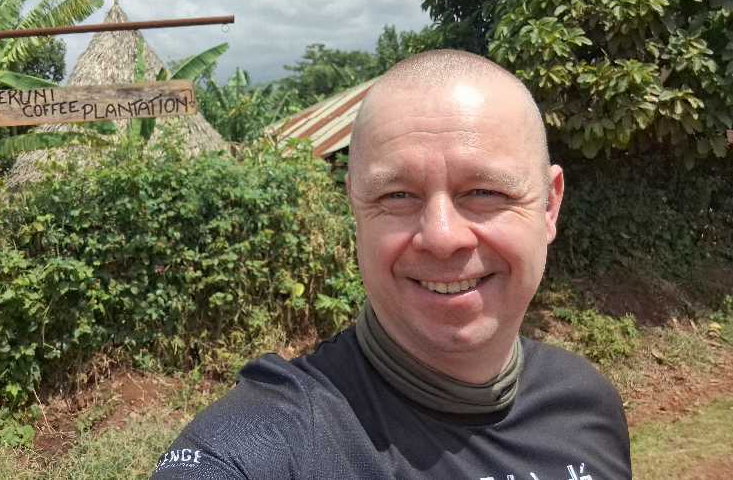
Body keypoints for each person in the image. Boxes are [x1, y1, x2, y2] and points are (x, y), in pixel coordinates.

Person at [152, 50, 631, 479]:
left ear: (549, 205)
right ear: (355, 208)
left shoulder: (586, 407)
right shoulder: (274, 445)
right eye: (397, 196)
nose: (442, 237)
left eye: (484, 192)